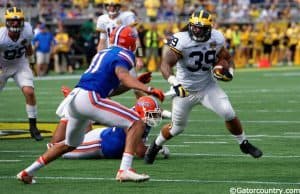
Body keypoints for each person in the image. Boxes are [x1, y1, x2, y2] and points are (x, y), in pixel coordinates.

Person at [17, 25, 165, 184]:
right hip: (89, 98)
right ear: (129, 41)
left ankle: (27, 172)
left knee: (69, 144)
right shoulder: (125, 54)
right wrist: (147, 88)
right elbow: (123, 76)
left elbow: (109, 90)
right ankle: (125, 170)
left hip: (76, 98)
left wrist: (135, 83)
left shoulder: (102, 53)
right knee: (136, 122)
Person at [144, 9, 263, 165]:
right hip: (184, 89)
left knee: (228, 112)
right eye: (194, 26)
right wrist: (175, 82)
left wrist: (229, 72)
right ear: (190, 25)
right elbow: (166, 65)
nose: (197, 30)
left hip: (207, 87)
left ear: (209, 28)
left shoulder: (217, 37)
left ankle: (244, 143)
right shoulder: (182, 40)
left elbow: (227, 58)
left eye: (201, 28)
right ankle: (155, 145)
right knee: (177, 128)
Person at [48, 93, 169, 160]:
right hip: (99, 144)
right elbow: (140, 152)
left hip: (107, 135)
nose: (154, 118)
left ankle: (84, 115)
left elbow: (157, 110)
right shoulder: (134, 121)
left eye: (154, 114)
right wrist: (156, 148)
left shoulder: (142, 113)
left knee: (81, 135)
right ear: (141, 113)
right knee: (57, 148)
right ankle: (69, 113)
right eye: (151, 115)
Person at [0, 7, 43, 141]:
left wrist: (32, 62)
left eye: (18, 21)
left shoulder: (28, 31)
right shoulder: (1, 36)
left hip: (20, 64)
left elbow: (28, 46)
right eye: (12, 21)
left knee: (29, 92)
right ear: (6, 21)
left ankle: (33, 126)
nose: (15, 24)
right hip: (3, 65)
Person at [96, 0, 144, 69]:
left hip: (125, 55)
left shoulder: (127, 16)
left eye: (114, 6)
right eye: (109, 6)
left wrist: (139, 58)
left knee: (128, 78)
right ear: (105, 6)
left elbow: (137, 40)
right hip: (110, 55)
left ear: (119, 6)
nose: (112, 8)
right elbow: (102, 43)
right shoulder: (102, 19)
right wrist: (98, 59)